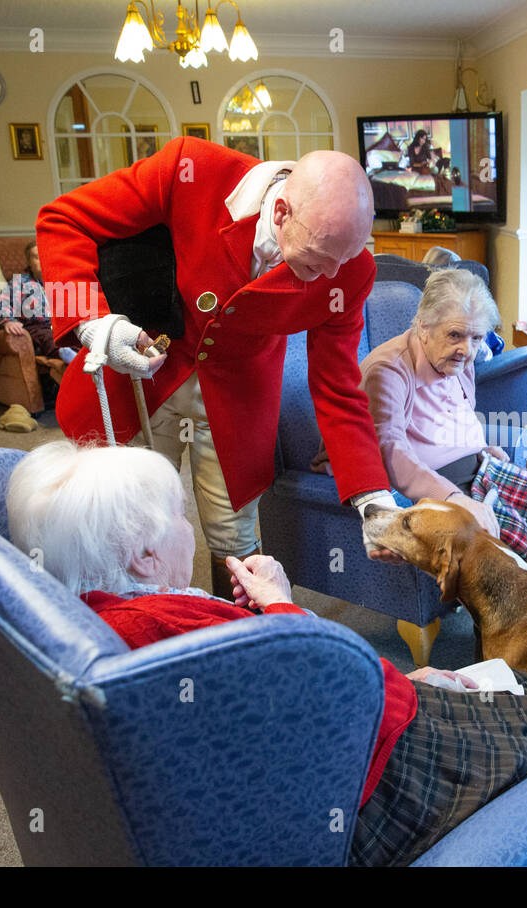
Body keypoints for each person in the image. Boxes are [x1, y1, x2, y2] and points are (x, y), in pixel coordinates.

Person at [7, 440, 527, 866]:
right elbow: (315, 677)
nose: (189, 528)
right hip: (367, 775)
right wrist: (285, 606)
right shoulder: (168, 627)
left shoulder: (105, 613)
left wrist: (261, 613)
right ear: (142, 555)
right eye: (178, 518)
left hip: (334, 740)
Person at [36, 139, 401, 598]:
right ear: (282, 211)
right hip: (142, 372)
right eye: (318, 258)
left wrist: (372, 495)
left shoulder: (350, 269)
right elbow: (61, 218)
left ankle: (235, 646)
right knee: (126, 532)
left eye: (343, 261)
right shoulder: (191, 168)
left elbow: (336, 384)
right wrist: (91, 323)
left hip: (238, 402)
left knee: (237, 543)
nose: (331, 277)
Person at [341, 268, 505, 536]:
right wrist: (451, 496)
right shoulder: (388, 371)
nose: (466, 349)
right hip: (433, 488)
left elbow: (458, 415)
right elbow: (390, 450)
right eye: (455, 334)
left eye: (476, 338)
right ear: (424, 326)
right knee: (512, 552)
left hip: (477, 469)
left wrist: (479, 447)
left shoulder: (459, 359)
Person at [0, 240, 77, 362]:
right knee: (46, 337)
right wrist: (8, 321)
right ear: (29, 263)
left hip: (62, 325)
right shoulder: (20, 282)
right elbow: (0, 302)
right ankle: (65, 354)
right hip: (37, 327)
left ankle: (82, 355)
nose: (42, 260)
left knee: (77, 334)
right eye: (37, 257)